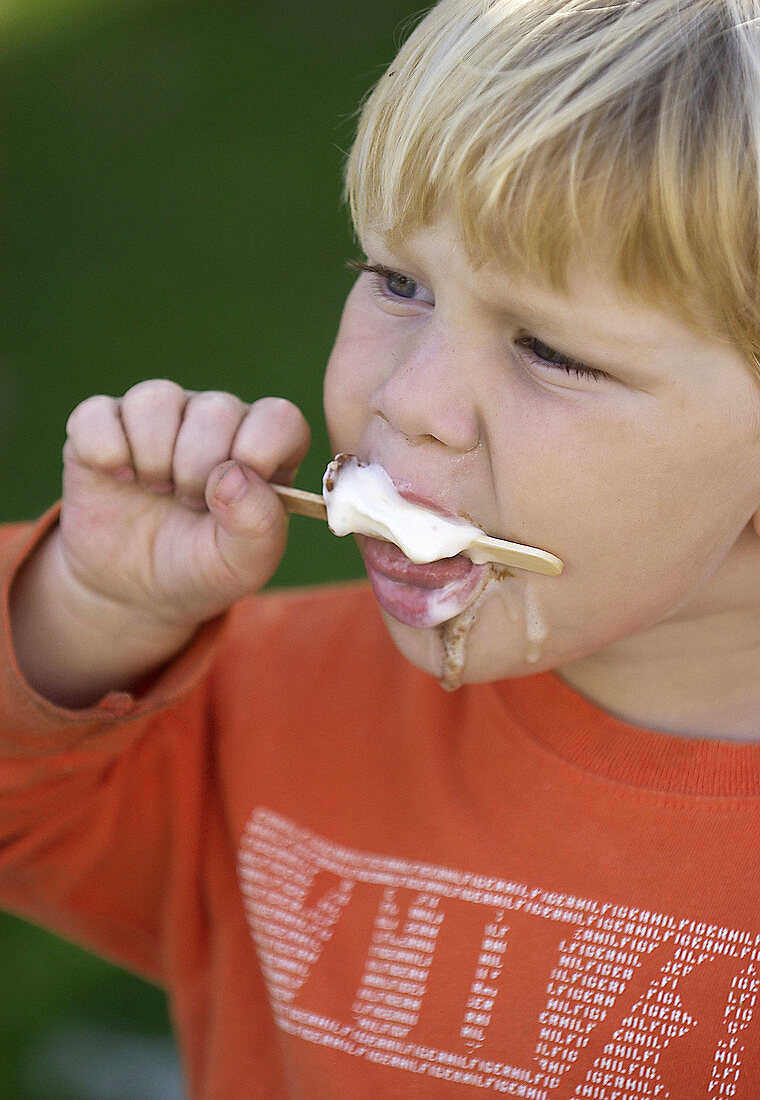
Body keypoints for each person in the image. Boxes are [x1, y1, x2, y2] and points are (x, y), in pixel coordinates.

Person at [2, 0, 760, 1095]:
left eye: (549, 349)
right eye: (398, 282)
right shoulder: (267, 706)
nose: (407, 402)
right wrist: (87, 613)